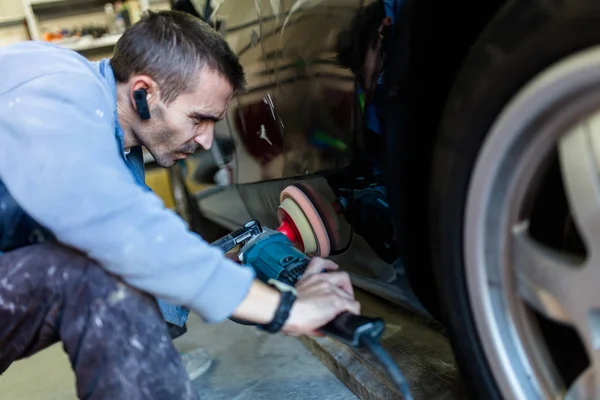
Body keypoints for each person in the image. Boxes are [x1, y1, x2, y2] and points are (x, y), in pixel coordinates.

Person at [0, 10, 360, 399]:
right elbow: (126, 236)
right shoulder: (53, 82)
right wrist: (287, 312)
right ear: (144, 93)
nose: (206, 141)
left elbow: (155, 270)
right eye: (198, 119)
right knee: (99, 274)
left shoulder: (119, 154)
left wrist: (267, 288)